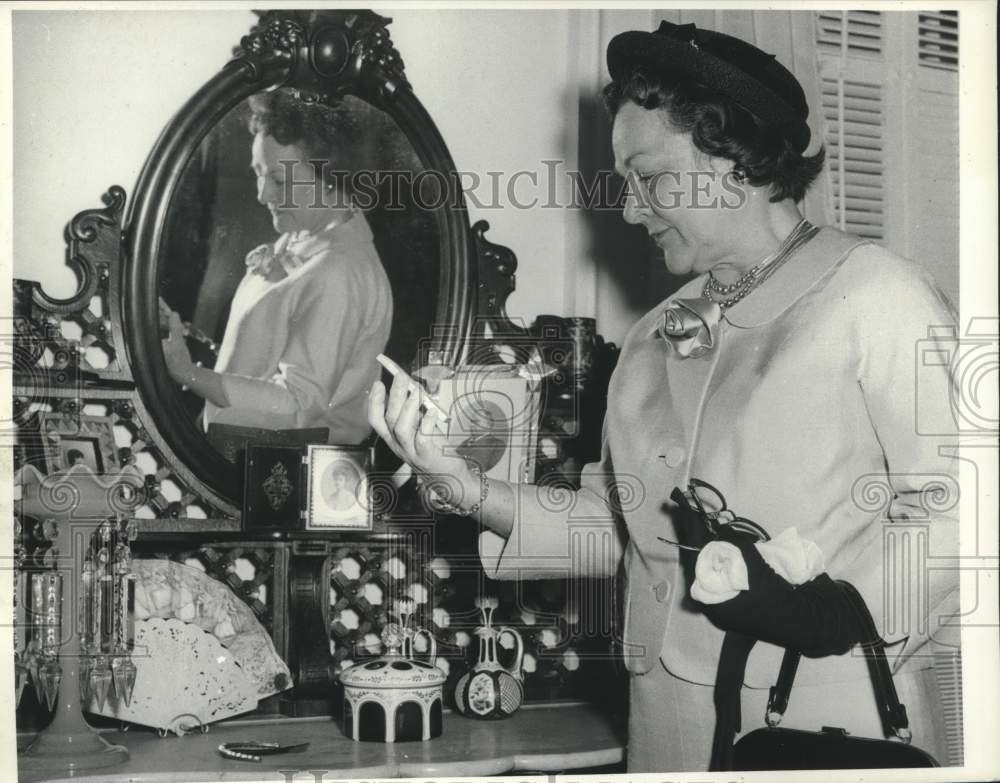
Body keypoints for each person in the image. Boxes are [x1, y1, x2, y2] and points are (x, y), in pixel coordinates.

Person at [368, 21, 960, 772]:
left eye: (648, 177)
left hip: (823, 715)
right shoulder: (653, 337)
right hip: (667, 725)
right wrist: (463, 484)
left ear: (731, 158)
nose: (629, 208)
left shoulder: (876, 294)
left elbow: (962, 509)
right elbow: (618, 526)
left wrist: (833, 619)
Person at [162, 89, 393, 445]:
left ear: (329, 176)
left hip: (295, 479)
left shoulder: (340, 271)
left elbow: (296, 405)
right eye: (258, 173)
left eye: (279, 180)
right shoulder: (302, 237)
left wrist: (186, 372)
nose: (262, 194)